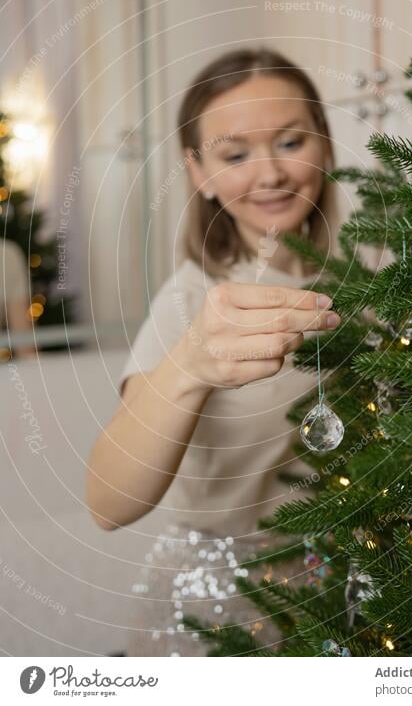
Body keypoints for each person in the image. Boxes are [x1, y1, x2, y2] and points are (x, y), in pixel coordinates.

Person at [86, 47, 344, 656]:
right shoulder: (193, 304)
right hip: (225, 608)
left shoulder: (372, 270)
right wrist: (189, 366)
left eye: (290, 142)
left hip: (351, 591)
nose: (270, 175)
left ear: (325, 143)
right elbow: (107, 501)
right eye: (234, 155)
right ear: (198, 171)